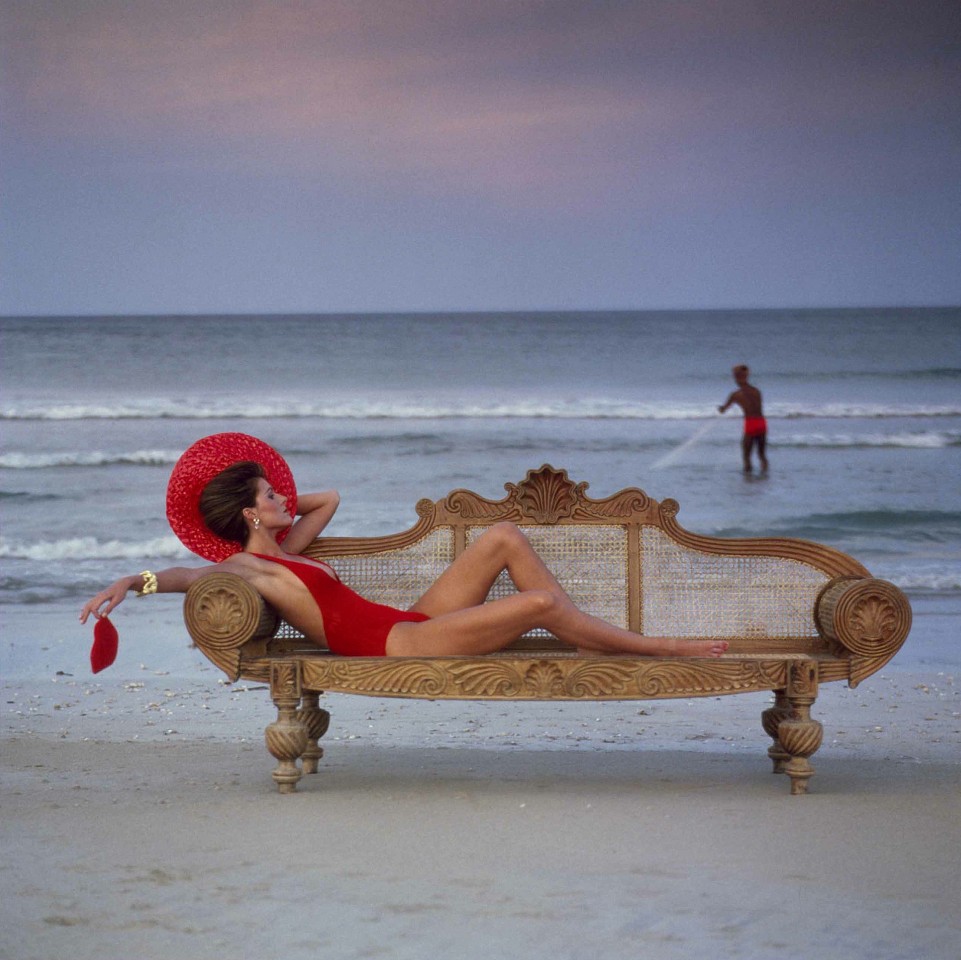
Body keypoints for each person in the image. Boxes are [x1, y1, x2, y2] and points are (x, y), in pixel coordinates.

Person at [80, 433, 728, 661]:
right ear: (250, 513)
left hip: (413, 621)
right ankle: (652, 646)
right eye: (270, 496)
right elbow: (185, 576)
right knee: (535, 604)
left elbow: (328, 497)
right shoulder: (251, 564)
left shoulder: (290, 548)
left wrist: (276, 504)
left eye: (279, 494)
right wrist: (128, 584)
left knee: (502, 534)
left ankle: (583, 630)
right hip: (403, 645)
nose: (283, 498)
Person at [718, 364, 768, 473]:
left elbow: (723, 410)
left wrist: (720, 409)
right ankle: (765, 476)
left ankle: (747, 479)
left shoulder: (735, 395)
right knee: (761, 455)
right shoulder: (756, 391)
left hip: (750, 423)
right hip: (762, 422)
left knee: (746, 455)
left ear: (736, 377)